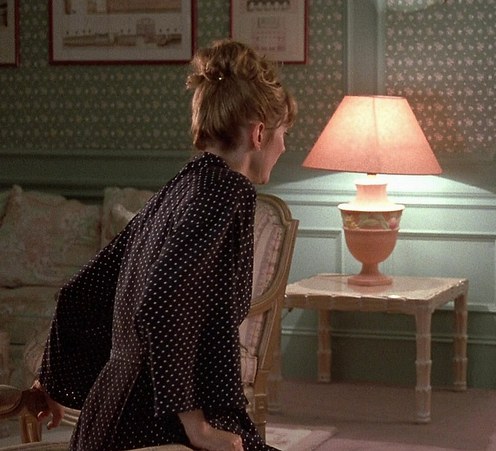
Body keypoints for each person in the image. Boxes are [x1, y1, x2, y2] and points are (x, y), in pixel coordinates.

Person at [31, 39, 297, 451]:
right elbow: (163, 305)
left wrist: (47, 383)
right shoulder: (229, 191)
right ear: (259, 133)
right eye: (284, 134)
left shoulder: (181, 186)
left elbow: (80, 293)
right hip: (153, 426)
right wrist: (197, 428)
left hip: (104, 421)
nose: (284, 147)